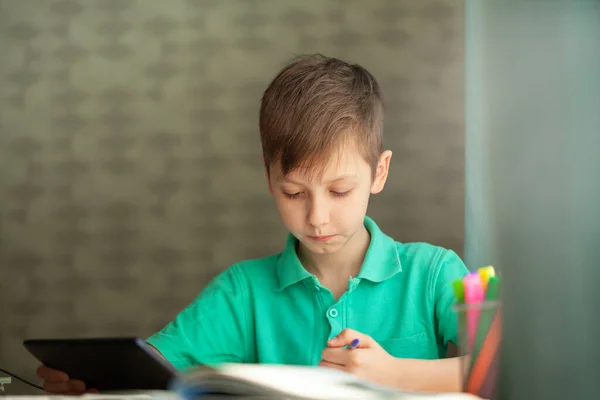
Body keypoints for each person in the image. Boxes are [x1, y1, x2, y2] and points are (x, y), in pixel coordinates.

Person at [37, 54, 469, 394]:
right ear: (268, 177)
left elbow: (522, 364)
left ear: (379, 172)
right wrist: (96, 383)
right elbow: (152, 368)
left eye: (339, 191)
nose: (317, 217)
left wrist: (399, 375)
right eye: (294, 193)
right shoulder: (242, 292)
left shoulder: (434, 273)